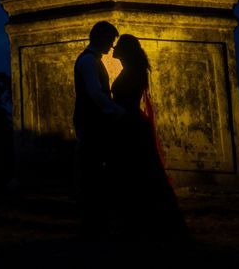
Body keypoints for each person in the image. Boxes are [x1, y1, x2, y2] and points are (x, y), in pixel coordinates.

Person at [109, 34, 188, 239]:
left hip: (130, 126)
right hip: (131, 124)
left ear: (125, 50)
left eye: (118, 45)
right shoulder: (134, 71)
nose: (113, 48)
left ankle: (142, 222)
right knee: (141, 173)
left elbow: (126, 99)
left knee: (138, 173)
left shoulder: (133, 73)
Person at [72, 20, 125, 235]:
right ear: (101, 38)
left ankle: (95, 218)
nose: (111, 46)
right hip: (91, 121)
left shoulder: (91, 60)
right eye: (110, 41)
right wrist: (116, 111)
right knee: (93, 169)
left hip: (91, 119)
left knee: (93, 168)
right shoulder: (88, 62)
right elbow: (95, 93)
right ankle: (93, 220)